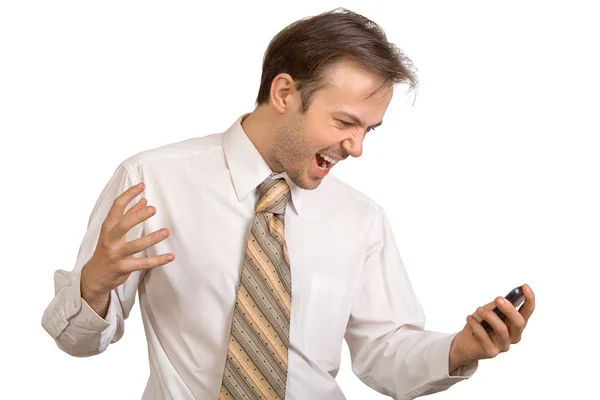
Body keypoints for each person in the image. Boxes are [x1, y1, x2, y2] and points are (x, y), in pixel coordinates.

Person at [41, 8, 535, 400]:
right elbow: (77, 342)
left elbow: (384, 352)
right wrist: (95, 287)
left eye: (369, 130)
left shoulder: (360, 219)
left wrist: (458, 349)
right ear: (283, 93)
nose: (357, 147)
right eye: (345, 123)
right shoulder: (152, 180)